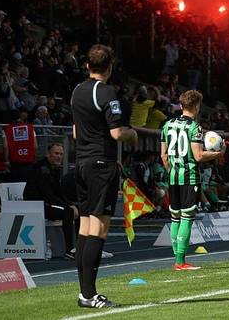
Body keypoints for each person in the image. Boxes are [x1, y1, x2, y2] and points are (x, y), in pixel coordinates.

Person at [70, 45, 137, 309]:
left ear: (87, 66)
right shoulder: (107, 92)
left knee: (85, 228)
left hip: (82, 164)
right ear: (110, 67)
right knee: (99, 228)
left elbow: (76, 132)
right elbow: (117, 133)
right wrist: (132, 134)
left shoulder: (77, 91)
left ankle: (84, 292)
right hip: (101, 164)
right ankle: (89, 294)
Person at [160, 89, 223, 271]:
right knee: (187, 218)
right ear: (196, 106)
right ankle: (180, 262)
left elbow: (163, 156)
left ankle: (177, 258)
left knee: (175, 218)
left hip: (173, 177)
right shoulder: (195, 127)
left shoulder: (167, 124)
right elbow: (198, 156)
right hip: (189, 177)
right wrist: (218, 153)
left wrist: (171, 171)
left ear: (181, 105)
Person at [23, 142, 79, 259]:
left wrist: (71, 204)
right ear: (49, 154)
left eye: (61, 154)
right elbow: (49, 196)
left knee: (78, 210)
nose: (59, 156)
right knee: (68, 211)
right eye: (56, 153)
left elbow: (58, 193)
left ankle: (80, 247)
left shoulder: (54, 168)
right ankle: (69, 250)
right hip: (36, 205)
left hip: (45, 203)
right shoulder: (43, 169)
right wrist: (68, 206)